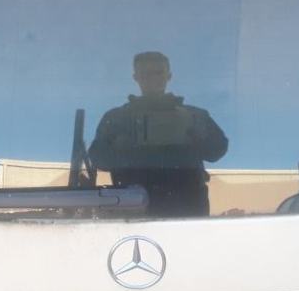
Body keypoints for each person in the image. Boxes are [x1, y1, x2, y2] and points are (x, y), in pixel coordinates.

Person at [89, 51, 228, 217]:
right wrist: (122, 144)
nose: (153, 78)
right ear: (136, 77)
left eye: (158, 72)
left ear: (168, 76)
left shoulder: (194, 116)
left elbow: (217, 151)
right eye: (146, 73)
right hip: (133, 211)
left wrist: (195, 132)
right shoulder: (117, 119)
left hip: (187, 213)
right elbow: (98, 158)